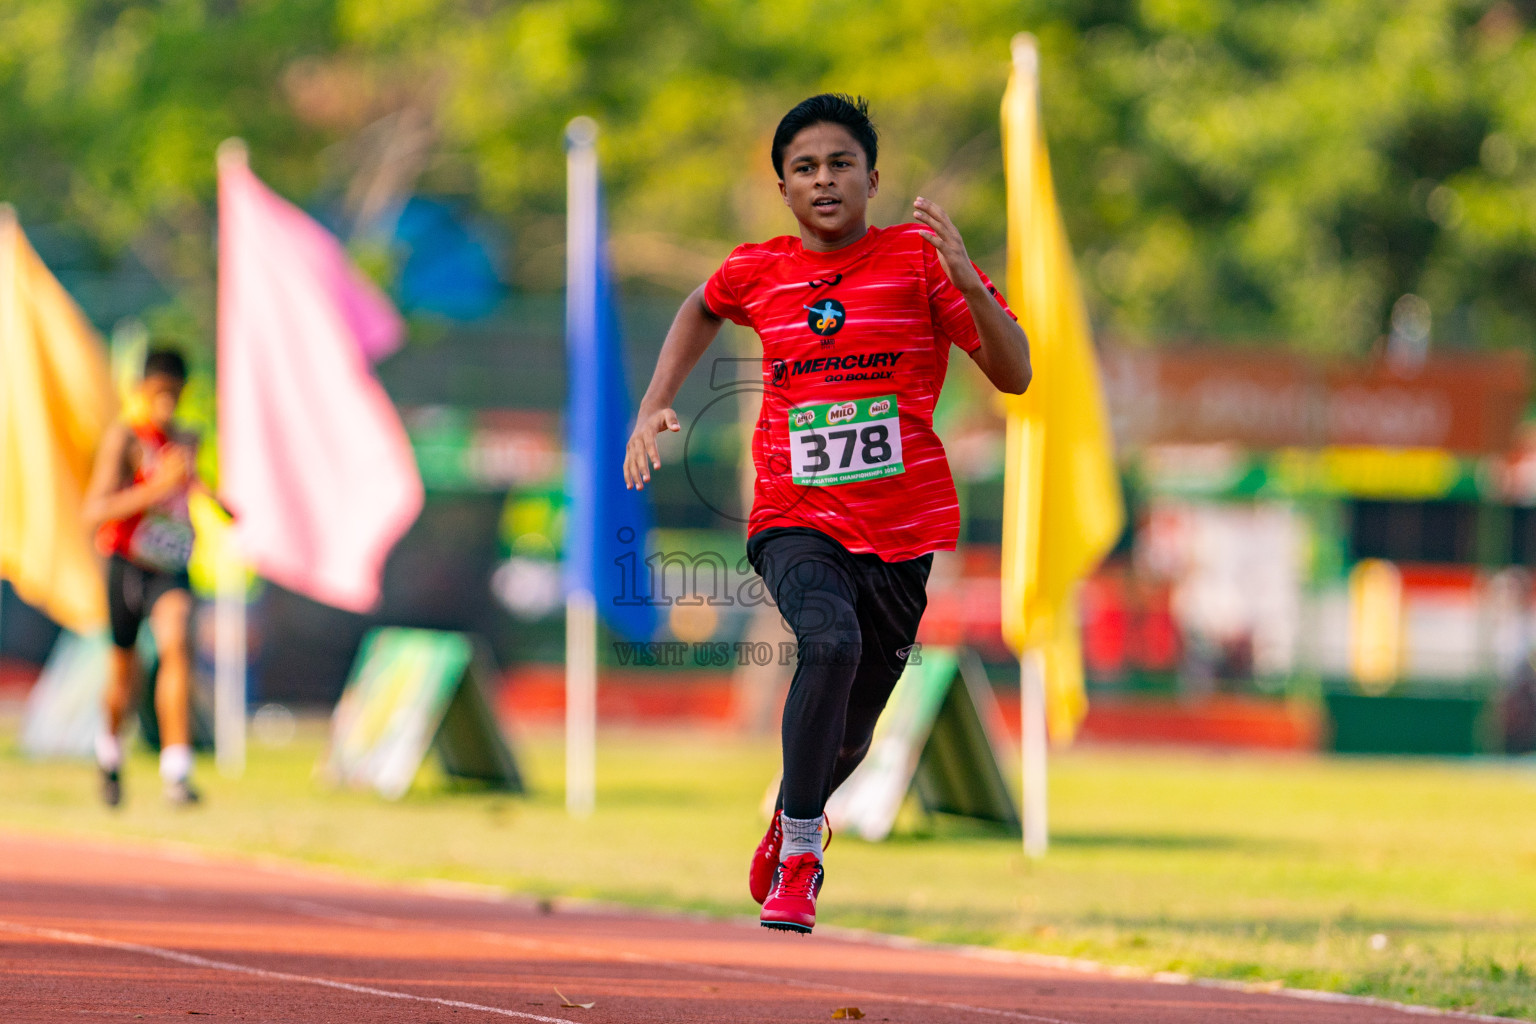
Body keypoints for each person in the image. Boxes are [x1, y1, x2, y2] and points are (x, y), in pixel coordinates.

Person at [623, 94, 1030, 933]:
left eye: (840, 163)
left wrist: (968, 284)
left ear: (872, 178)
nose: (824, 179)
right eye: (804, 168)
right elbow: (700, 303)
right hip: (792, 514)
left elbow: (1017, 371)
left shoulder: (922, 259)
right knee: (828, 641)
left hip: (904, 526)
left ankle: (791, 816)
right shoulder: (757, 269)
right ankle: (806, 852)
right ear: (783, 189)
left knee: (853, 731)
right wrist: (655, 402)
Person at [82, 348, 203, 807]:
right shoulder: (126, 441)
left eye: (175, 395)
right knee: (123, 674)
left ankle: (177, 771)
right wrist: (154, 490)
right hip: (127, 565)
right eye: (159, 395)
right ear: (141, 392)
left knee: (177, 646)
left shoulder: (187, 442)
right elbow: (94, 511)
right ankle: (109, 753)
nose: (167, 406)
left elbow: (193, 488)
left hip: (170, 566)